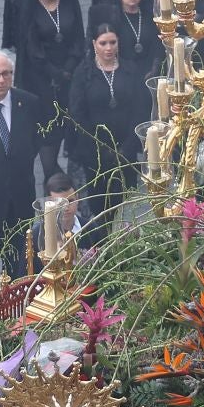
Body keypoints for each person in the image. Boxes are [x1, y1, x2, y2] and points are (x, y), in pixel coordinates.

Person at [0, 48, 56, 289]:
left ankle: (16, 307)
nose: (1, 80)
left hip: (18, 200)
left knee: (18, 263)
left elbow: (35, 140)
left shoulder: (28, 102)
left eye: (6, 73)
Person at [65, 23, 142, 245]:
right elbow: (78, 113)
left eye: (112, 42)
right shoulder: (84, 73)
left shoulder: (130, 70)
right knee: (99, 205)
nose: (108, 48)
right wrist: (101, 148)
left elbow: (139, 108)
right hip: (95, 155)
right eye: (103, 43)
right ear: (94, 44)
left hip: (125, 151)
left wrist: (127, 147)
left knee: (123, 202)